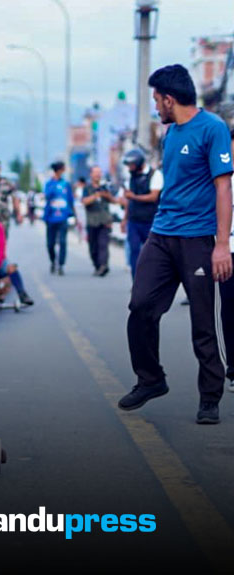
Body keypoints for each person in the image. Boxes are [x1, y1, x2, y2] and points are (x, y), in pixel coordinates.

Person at [121, 64, 233, 425]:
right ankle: (150, 379)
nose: (156, 106)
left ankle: (210, 398)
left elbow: (223, 188)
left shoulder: (213, 129)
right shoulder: (170, 134)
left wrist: (220, 245)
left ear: (169, 99)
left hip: (198, 240)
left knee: (202, 322)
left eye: (157, 100)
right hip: (161, 233)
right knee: (140, 306)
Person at [119, 148, 162, 278]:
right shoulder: (130, 177)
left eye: (131, 165)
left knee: (151, 253)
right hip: (134, 221)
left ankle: (151, 281)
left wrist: (134, 196)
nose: (129, 168)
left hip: (150, 221)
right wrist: (124, 219)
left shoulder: (155, 175)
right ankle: (136, 281)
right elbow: (128, 200)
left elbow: (153, 196)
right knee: (134, 251)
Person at [81, 166, 117, 276]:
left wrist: (106, 194)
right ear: (91, 174)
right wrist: (96, 195)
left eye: (99, 173)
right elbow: (84, 201)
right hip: (92, 221)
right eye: (95, 173)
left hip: (104, 220)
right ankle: (97, 265)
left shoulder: (105, 186)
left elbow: (113, 200)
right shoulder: (87, 188)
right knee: (93, 247)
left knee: (103, 244)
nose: (98, 175)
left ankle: (103, 265)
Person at [42, 160, 74, 275]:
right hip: (50, 218)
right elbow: (47, 195)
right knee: (50, 243)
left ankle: (61, 265)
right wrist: (54, 182)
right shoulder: (49, 183)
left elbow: (71, 200)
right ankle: (53, 261)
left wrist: (74, 215)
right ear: (59, 170)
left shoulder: (66, 184)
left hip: (63, 218)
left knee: (62, 241)